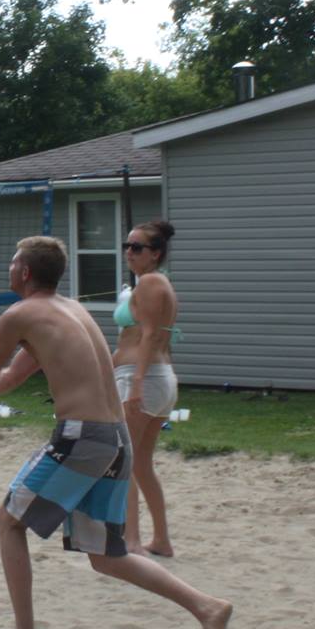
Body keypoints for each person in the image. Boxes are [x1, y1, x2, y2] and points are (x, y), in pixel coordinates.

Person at [0, 235, 231, 629]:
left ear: (26, 272)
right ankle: (208, 608)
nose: (10, 270)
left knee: (9, 521)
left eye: (14, 264)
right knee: (106, 555)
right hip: (115, 438)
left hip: (82, 436)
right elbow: (8, 380)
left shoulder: (20, 314)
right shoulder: (72, 310)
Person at [113, 219, 180, 557]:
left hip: (145, 379)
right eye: (127, 245)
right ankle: (162, 540)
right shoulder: (154, 283)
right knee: (141, 464)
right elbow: (136, 337)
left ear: (155, 254)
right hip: (155, 378)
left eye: (137, 247)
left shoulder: (151, 283)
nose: (129, 252)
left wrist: (136, 384)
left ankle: (132, 540)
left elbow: (150, 335)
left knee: (124, 460)